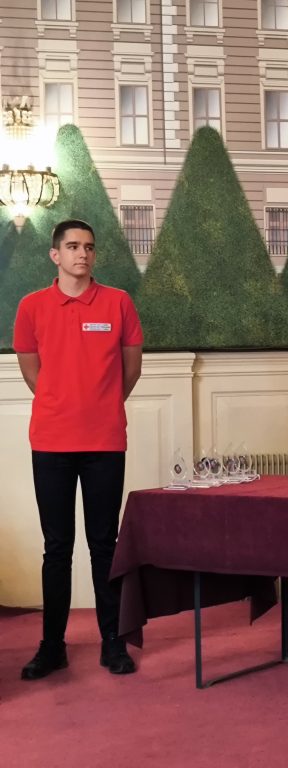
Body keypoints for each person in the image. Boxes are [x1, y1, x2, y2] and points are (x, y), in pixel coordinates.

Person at [13, 219, 143, 679]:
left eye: (88, 247)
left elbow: (131, 369)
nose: (82, 253)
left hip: (105, 441)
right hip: (51, 442)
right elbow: (32, 370)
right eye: (72, 246)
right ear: (56, 255)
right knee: (57, 548)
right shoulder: (31, 306)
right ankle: (52, 647)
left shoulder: (118, 302)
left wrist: (99, 406)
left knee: (104, 545)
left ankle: (113, 643)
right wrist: (62, 403)